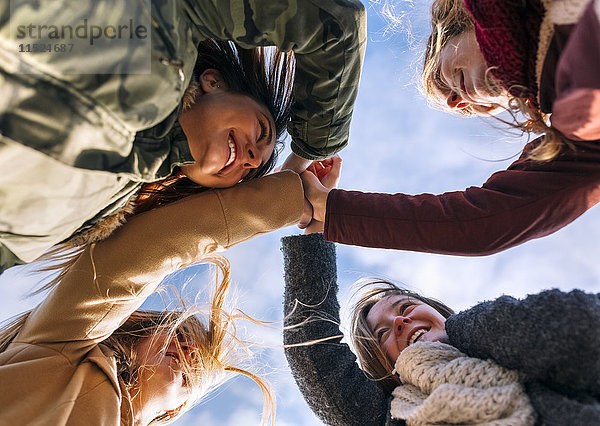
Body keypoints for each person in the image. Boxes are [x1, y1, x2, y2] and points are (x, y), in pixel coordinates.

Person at [0, 0, 367, 272]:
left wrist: (284, 195)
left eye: (249, 171)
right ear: (214, 82)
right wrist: (304, 155)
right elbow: (337, 30)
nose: (252, 157)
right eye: (261, 130)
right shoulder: (170, 31)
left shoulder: (98, 216)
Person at [0, 169, 304, 424]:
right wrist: (292, 200)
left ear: (176, 409)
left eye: (198, 370)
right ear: (141, 336)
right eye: (180, 333)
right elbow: (149, 249)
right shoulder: (64, 344)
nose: (189, 349)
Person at [300, 0, 600, 256]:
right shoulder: (578, 134)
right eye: (468, 110)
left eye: (443, 82)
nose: (458, 103)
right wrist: (333, 209)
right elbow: (482, 221)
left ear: (459, 21)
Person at [282, 233, 600, 425]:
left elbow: (581, 326)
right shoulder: (386, 417)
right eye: (382, 334)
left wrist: (463, 329)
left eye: (405, 308)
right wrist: (313, 224)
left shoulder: (498, 338)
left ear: (438, 311)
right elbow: (312, 350)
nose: (400, 322)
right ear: (385, 366)